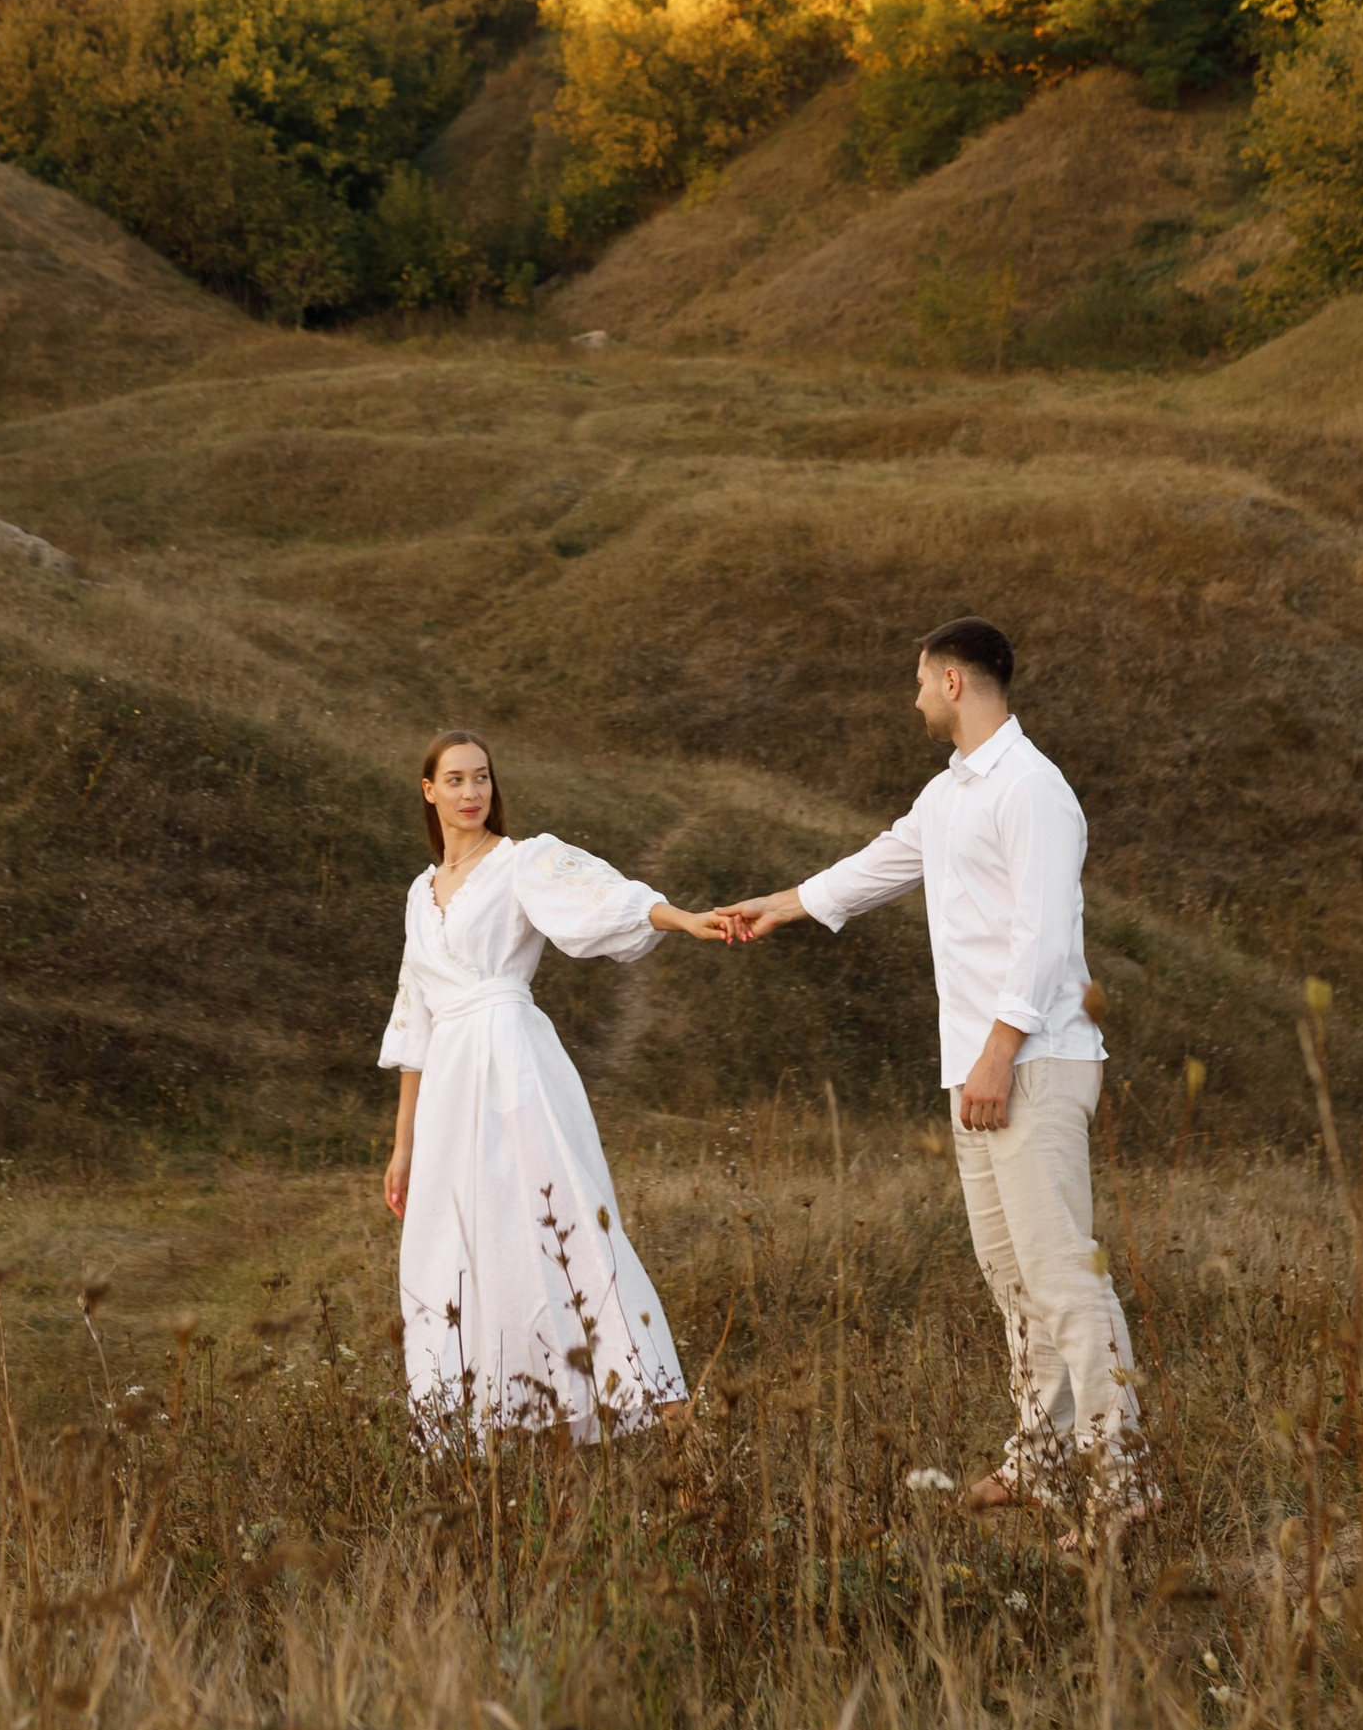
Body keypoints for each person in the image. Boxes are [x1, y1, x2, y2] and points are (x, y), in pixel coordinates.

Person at [722, 617, 1143, 1522]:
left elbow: (1045, 935)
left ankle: (1122, 1482)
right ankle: (1040, 1462)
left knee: (1063, 1276)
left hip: (1032, 1060)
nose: (913, 697)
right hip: (977, 1069)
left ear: (953, 681)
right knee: (1012, 1280)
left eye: (919, 680)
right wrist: (782, 905)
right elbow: (878, 865)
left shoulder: (1033, 789)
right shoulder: (949, 792)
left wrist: (999, 1051)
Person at [380, 727, 733, 1446]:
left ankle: (667, 1408)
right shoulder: (419, 895)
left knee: (566, 1224)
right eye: (456, 779)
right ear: (429, 790)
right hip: (448, 1090)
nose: (472, 792)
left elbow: (604, 899)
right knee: (460, 1248)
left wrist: (683, 919)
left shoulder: (520, 863)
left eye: (482, 777)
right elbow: (414, 1021)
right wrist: (402, 1146)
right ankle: (508, 1418)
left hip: (515, 1068)